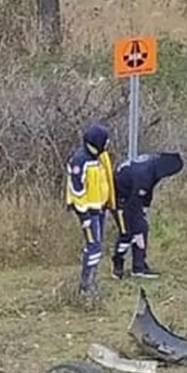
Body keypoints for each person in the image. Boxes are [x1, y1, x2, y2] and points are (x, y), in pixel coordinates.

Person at [110, 151, 184, 280]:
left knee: (141, 228)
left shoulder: (153, 165)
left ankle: (139, 266)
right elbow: (135, 199)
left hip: (128, 195)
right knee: (127, 233)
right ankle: (118, 264)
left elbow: (148, 191)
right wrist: (137, 217)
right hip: (119, 199)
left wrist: (144, 209)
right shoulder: (144, 174)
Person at [65, 123, 115, 296]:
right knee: (93, 246)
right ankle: (86, 286)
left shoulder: (99, 158)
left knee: (97, 246)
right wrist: (84, 215)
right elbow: (77, 190)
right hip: (87, 212)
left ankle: (92, 282)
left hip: (99, 209)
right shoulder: (80, 160)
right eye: (106, 141)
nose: (108, 144)